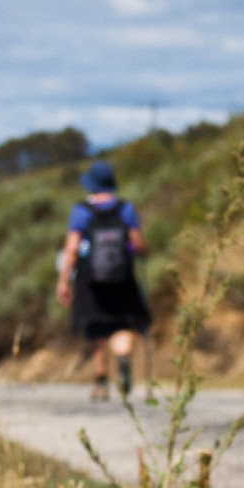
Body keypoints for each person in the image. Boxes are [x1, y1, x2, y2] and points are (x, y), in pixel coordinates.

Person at [56, 160, 150, 402]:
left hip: (90, 281)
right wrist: (142, 251)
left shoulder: (81, 211)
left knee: (95, 327)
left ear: (91, 185)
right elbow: (137, 244)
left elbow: (72, 248)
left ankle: (101, 382)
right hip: (122, 278)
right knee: (121, 324)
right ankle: (122, 359)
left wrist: (64, 280)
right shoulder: (125, 208)